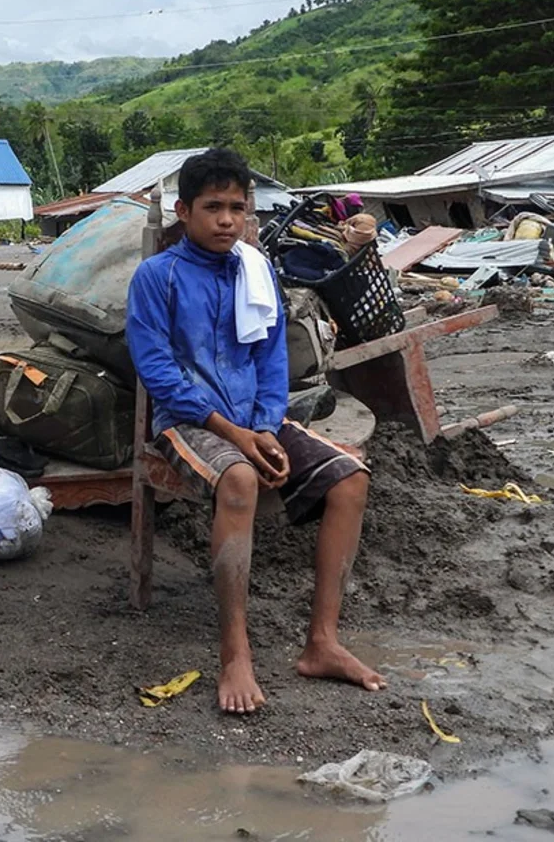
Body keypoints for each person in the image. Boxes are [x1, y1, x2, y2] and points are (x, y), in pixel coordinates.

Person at [126, 148, 385, 716]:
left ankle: (322, 642)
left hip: (256, 418)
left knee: (351, 479)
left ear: (249, 213)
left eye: (236, 208)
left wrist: (266, 425)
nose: (225, 220)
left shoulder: (256, 268)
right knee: (240, 480)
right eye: (212, 207)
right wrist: (238, 436)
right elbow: (158, 371)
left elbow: (272, 358)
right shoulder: (157, 277)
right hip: (189, 422)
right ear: (183, 211)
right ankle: (234, 654)